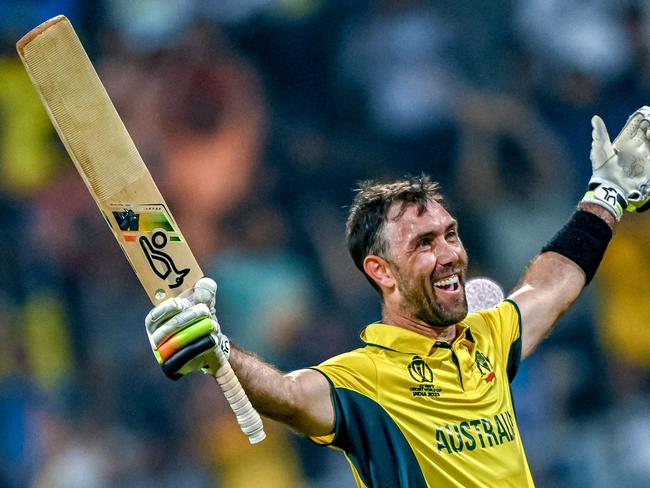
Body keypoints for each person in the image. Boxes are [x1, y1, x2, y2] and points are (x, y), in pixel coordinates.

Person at [144, 108, 650, 487]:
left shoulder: (489, 336)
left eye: (450, 234)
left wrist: (605, 194)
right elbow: (291, 395)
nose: (449, 253)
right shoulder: (366, 380)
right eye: (424, 243)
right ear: (380, 271)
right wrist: (220, 353)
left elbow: (551, 283)